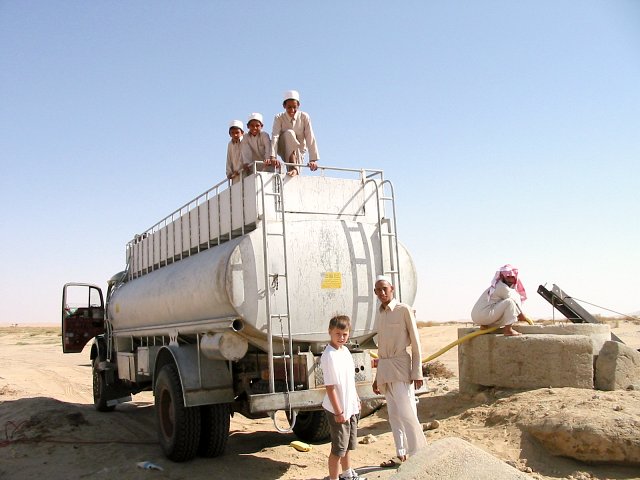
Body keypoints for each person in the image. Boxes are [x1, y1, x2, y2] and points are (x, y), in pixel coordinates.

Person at [371, 275, 427, 468]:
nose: (382, 293)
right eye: (378, 290)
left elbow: (416, 342)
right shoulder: (380, 313)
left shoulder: (404, 310)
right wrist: (377, 377)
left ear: (392, 288)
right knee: (394, 414)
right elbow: (381, 349)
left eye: (384, 289)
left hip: (401, 367)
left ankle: (419, 454)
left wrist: (417, 372)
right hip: (386, 369)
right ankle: (400, 453)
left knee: (407, 412)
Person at [321, 315, 365, 480]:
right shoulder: (329, 355)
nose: (341, 338)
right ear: (330, 332)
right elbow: (330, 387)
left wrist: (356, 400)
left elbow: (350, 380)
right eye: (337, 334)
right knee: (338, 449)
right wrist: (339, 411)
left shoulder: (345, 350)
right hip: (337, 409)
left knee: (347, 445)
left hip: (350, 406)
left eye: (345, 334)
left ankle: (347, 474)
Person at [269, 90, 320, 176]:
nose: (292, 110)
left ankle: (294, 170)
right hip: (283, 148)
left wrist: (312, 160)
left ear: (298, 106)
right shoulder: (279, 118)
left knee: (294, 138)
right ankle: (294, 168)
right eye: (289, 107)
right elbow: (275, 136)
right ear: (284, 106)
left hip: (300, 150)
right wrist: (273, 157)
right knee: (290, 133)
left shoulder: (304, 117)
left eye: (294, 107)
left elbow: (310, 137)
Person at [471, 264, 529, 336]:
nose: (511, 280)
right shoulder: (502, 287)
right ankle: (508, 330)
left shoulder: (495, 286)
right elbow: (513, 303)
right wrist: (522, 316)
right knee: (510, 302)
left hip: (477, 317)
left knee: (504, 306)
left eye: (512, 277)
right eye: (508, 277)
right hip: (484, 315)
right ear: (502, 276)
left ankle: (485, 326)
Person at [226, 119, 244, 184]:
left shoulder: (245, 140)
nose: (235, 135)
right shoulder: (230, 144)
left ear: (242, 133)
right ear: (230, 134)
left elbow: (245, 156)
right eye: (232, 133)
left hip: (245, 172)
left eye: (237, 132)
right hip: (235, 176)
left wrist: (239, 168)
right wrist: (229, 172)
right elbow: (229, 159)